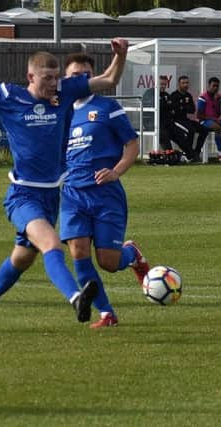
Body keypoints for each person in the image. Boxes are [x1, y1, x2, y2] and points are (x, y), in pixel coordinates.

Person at [0, 38, 129, 332]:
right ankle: (76, 299)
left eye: (57, 76)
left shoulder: (65, 91)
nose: (54, 83)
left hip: (50, 197)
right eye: (47, 78)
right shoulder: (8, 95)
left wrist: (120, 55)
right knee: (51, 243)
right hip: (22, 195)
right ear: (30, 77)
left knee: (21, 258)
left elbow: (110, 78)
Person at [61, 53, 150, 328]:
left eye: (85, 74)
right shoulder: (60, 113)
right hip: (72, 194)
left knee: (109, 262)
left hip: (105, 194)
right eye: (75, 75)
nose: (81, 79)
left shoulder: (107, 107)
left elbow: (133, 146)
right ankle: (106, 314)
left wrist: (117, 171)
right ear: (66, 79)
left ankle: (131, 254)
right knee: (78, 251)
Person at [196, 76, 221, 162]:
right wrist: (213, 119)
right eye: (213, 86)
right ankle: (220, 154)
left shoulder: (218, 97)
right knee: (217, 127)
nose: (215, 88)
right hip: (204, 121)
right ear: (209, 86)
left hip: (215, 120)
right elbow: (199, 115)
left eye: (217, 86)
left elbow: (218, 114)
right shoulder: (202, 97)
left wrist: (218, 103)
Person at [170, 75, 204, 162]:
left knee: (204, 129)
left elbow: (192, 110)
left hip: (185, 119)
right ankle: (189, 154)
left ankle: (196, 151)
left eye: (187, 83)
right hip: (176, 120)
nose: (186, 85)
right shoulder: (174, 96)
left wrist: (182, 107)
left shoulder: (188, 95)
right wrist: (184, 108)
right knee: (190, 130)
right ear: (179, 84)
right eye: (183, 83)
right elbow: (174, 111)